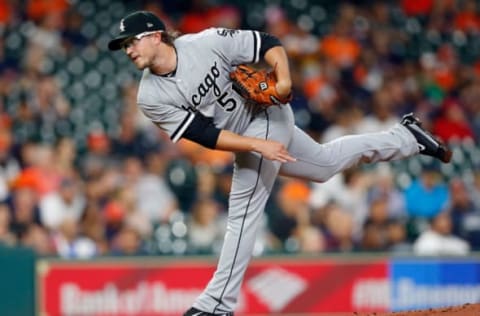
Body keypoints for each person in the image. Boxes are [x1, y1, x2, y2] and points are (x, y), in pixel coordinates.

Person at [108, 11, 452, 316]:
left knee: (243, 208)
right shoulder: (150, 96)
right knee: (324, 165)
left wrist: (283, 78)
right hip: (249, 136)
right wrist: (258, 145)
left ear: (155, 35)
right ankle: (408, 138)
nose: (128, 50)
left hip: (267, 113)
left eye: (131, 41)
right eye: (123, 46)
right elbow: (204, 135)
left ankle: (216, 305)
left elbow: (266, 43)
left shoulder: (205, 42)